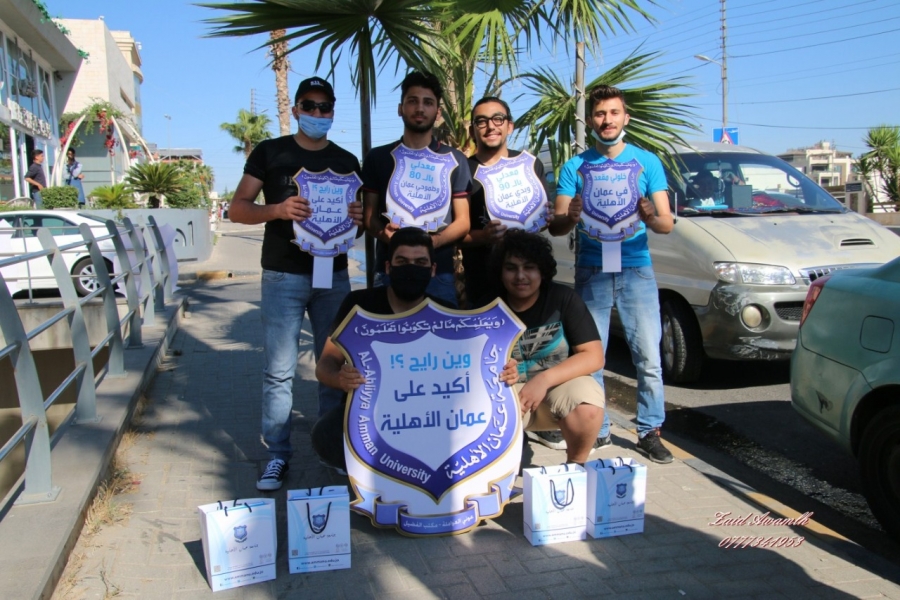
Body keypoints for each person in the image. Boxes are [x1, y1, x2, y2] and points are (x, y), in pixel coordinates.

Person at [229, 76, 363, 491]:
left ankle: (331, 450)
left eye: (326, 107)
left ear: (333, 111)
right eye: (310, 105)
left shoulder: (346, 160)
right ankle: (277, 454)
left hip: (334, 275)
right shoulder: (270, 152)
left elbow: (353, 228)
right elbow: (237, 210)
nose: (318, 114)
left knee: (335, 366)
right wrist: (277, 209)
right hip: (284, 275)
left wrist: (356, 224)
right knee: (279, 370)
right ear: (296, 109)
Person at [549, 84, 675, 464]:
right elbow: (556, 226)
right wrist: (567, 218)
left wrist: (651, 217)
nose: (607, 120)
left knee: (648, 356)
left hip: (636, 268)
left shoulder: (647, 162)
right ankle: (599, 429)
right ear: (591, 120)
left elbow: (666, 224)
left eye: (614, 113)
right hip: (592, 269)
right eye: (600, 114)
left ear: (626, 117)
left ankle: (649, 431)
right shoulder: (575, 167)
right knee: (593, 355)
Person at [312, 227, 445, 471]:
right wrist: (339, 378)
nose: (411, 268)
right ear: (388, 267)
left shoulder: (446, 315)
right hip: (368, 419)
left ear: (433, 270)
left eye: (420, 262)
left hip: (430, 421)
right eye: (402, 261)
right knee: (326, 433)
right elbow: (324, 365)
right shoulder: (359, 306)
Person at [484, 229, 605, 465]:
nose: (520, 276)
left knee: (587, 406)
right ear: (500, 272)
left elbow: (594, 356)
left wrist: (543, 380)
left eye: (529, 267)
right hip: (507, 395)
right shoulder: (486, 305)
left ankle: (575, 469)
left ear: (542, 271)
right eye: (511, 268)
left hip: (555, 390)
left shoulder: (563, 299)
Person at [362, 71, 471, 307]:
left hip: (438, 273)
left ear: (438, 112)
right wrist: (385, 235)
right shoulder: (378, 158)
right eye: (412, 101)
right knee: (386, 340)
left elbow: (463, 222)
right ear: (401, 108)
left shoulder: (455, 160)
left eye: (428, 102)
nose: (420, 108)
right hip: (389, 270)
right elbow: (368, 217)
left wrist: (433, 243)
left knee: (440, 340)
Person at [460, 96, 545, 305]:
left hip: (527, 282)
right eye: (481, 121)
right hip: (482, 282)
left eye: (498, 119)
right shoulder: (461, 170)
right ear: (472, 131)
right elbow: (454, 235)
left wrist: (545, 218)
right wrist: (484, 236)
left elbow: (541, 225)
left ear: (509, 126)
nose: (490, 126)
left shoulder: (530, 166)